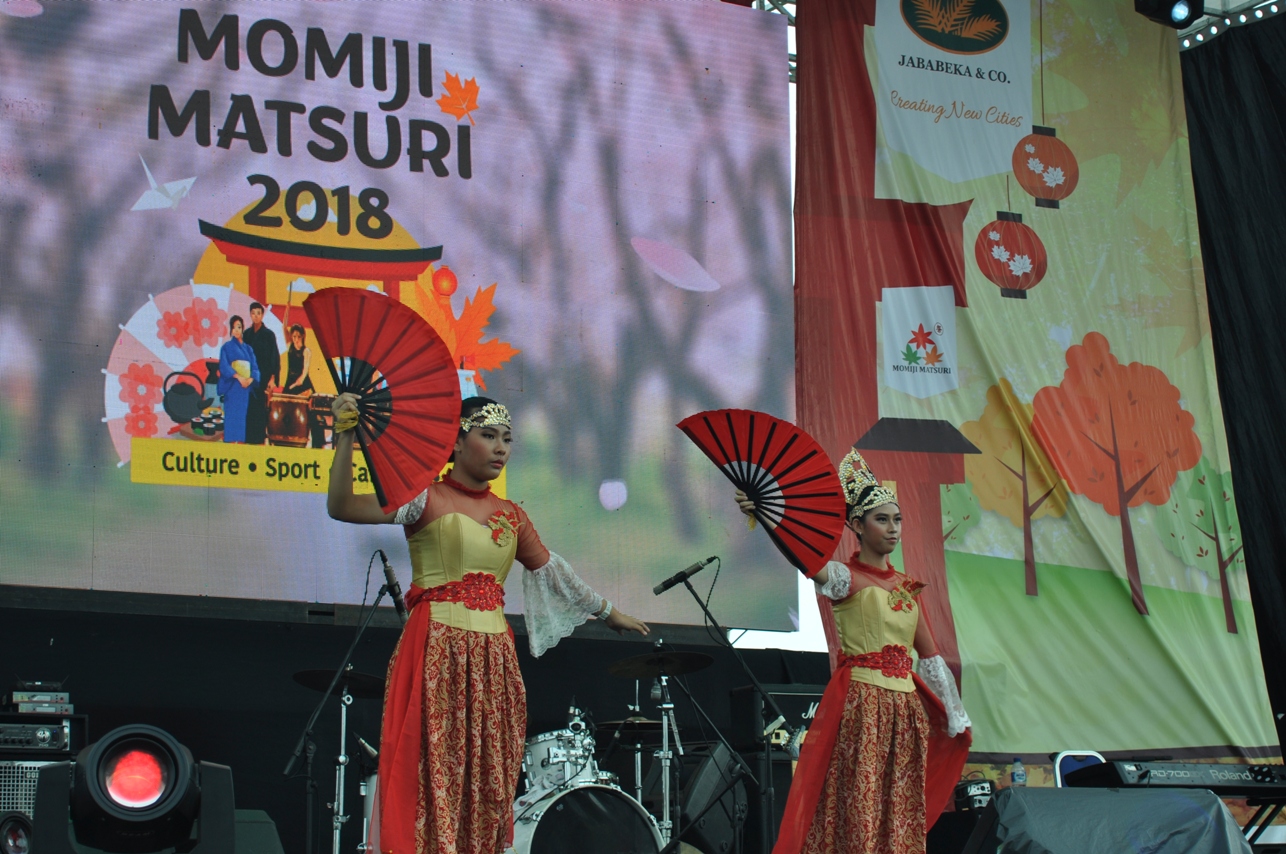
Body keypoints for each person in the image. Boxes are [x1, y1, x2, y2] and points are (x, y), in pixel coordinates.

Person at [327, 395, 651, 854]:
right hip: (437, 649)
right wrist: (345, 436)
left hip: (493, 661)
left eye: (507, 439)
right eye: (488, 435)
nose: (501, 448)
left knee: (488, 782)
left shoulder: (512, 516)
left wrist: (607, 612)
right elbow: (341, 506)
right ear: (456, 443)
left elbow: (555, 574)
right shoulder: (424, 498)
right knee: (433, 773)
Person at [735, 449, 971, 854]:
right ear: (856, 526)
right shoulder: (847, 578)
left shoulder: (907, 586)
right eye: (882, 519)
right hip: (864, 705)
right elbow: (805, 556)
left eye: (897, 519)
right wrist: (770, 516)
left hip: (905, 712)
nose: (893, 529)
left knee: (899, 810)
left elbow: (929, 655)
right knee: (858, 809)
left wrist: (954, 712)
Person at [242, 302, 280, 445]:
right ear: (250, 315)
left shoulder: (269, 335)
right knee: (248, 407)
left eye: (259, 313)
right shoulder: (246, 334)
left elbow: (274, 358)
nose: (256, 316)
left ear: (262, 315)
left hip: (263, 377)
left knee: (260, 408)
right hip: (248, 377)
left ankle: (259, 439)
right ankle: (248, 439)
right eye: (253, 313)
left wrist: (272, 379)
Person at [217, 315, 259, 444]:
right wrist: (238, 377)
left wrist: (251, 379)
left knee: (242, 417)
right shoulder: (226, 347)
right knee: (231, 416)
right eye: (234, 327)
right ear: (231, 330)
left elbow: (255, 368)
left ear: (242, 329)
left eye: (239, 327)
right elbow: (224, 365)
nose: (236, 330)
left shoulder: (248, 349)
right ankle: (229, 442)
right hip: (233, 385)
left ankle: (240, 443)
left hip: (245, 387)